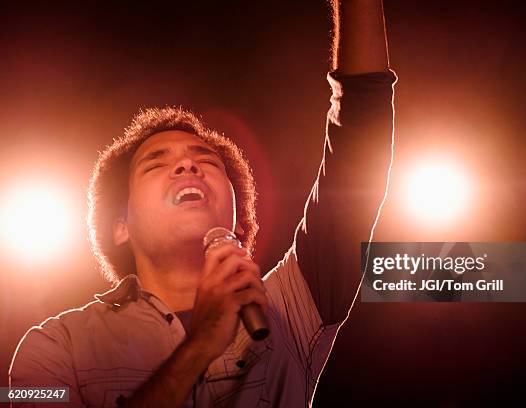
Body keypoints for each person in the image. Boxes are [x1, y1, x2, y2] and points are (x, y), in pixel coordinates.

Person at [9, 0, 396, 406]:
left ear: (239, 221)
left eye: (206, 160)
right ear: (120, 225)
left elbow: (361, 126)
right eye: (155, 164)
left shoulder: (291, 305)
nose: (188, 165)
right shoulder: (52, 347)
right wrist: (200, 345)